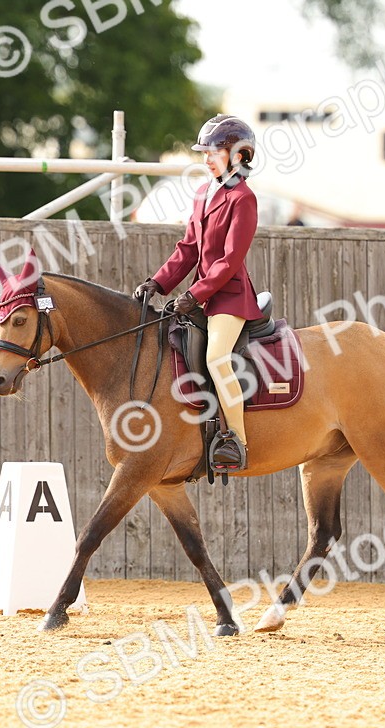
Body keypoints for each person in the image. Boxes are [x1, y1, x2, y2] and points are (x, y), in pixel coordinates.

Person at [133, 114, 263, 470]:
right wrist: (158, 282)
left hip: (230, 299)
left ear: (238, 155)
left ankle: (235, 440)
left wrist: (196, 293)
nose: (206, 159)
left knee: (217, 359)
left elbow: (230, 259)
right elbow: (188, 248)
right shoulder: (203, 193)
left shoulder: (243, 199)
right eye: (204, 152)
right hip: (203, 297)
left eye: (213, 152)